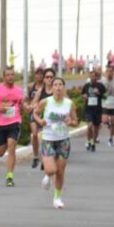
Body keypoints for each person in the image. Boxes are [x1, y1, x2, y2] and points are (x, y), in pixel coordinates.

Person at [33, 76, 79, 209]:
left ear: (63, 88)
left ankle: (57, 198)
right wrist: (39, 121)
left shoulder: (69, 103)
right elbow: (35, 114)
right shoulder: (45, 102)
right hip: (48, 139)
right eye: (55, 85)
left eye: (60, 85)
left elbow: (76, 121)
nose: (58, 87)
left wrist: (72, 122)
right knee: (51, 169)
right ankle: (47, 176)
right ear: (52, 88)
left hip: (63, 140)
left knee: (60, 172)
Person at [0, 66, 25, 187]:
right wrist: (0, 109)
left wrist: (24, 111)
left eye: (12, 75)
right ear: (4, 77)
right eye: (8, 75)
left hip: (14, 123)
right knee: (1, 152)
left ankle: (9, 177)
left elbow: (22, 105)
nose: (10, 77)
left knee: (12, 147)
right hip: (0, 124)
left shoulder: (19, 91)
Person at [27, 68, 56, 168]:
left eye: (51, 77)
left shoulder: (57, 89)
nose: (49, 79)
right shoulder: (38, 89)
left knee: (44, 138)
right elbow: (33, 100)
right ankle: (36, 156)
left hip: (49, 117)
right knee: (35, 134)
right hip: (37, 114)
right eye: (47, 77)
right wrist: (31, 106)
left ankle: (45, 158)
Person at [81, 68, 106, 152]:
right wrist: (84, 97)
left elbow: (105, 96)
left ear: (96, 77)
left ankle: (93, 142)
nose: (92, 78)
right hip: (89, 109)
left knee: (96, 128)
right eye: (91, 76)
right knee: (90, 125)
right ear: (89, 77)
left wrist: (98, 93)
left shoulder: (100, 86)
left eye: (94, 76)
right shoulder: (86, 85)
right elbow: (83, 94)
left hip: (98, 109)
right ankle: (89, 141)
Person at [100, 64, 114, 147]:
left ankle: (110, 139)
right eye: (107, 71)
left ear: (113, 72)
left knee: (113, 121)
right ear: (105, 72)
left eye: (111, 71)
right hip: (105, 103)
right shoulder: (102, 81)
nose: (109, 73)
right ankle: (110, 126)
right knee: (104, 120)